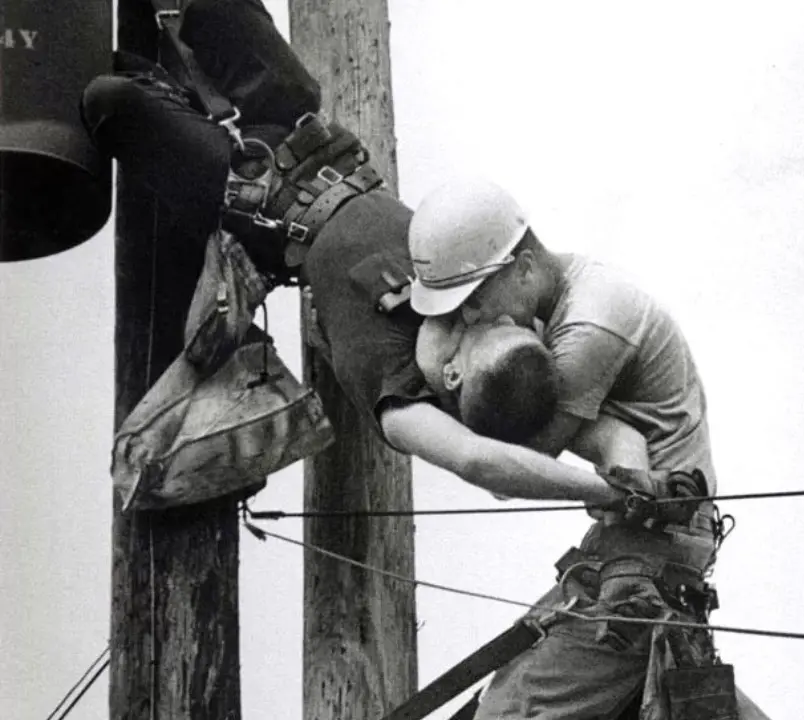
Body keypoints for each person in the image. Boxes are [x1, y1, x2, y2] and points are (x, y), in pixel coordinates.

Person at [82, 0, 651, 510]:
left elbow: (481, 464)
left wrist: (596, 494)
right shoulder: (485, 330)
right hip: (301, 123)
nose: (487, 312)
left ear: (453, 374)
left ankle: (145, 82)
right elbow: (614, 435)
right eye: (511, 319)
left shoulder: (402, 397)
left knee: (107, 98)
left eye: (486, 329)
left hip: (250, 192)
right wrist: (635, 484)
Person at [407, 179, 767, 719]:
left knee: (512, 711)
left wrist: (440, 367)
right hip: (636, 543)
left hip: (648, 549)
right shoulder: (551, 301)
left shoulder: (589, 327)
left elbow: (508, 468)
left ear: (523, 267)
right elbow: (612, 438)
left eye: (474, 301)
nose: (470, 320)